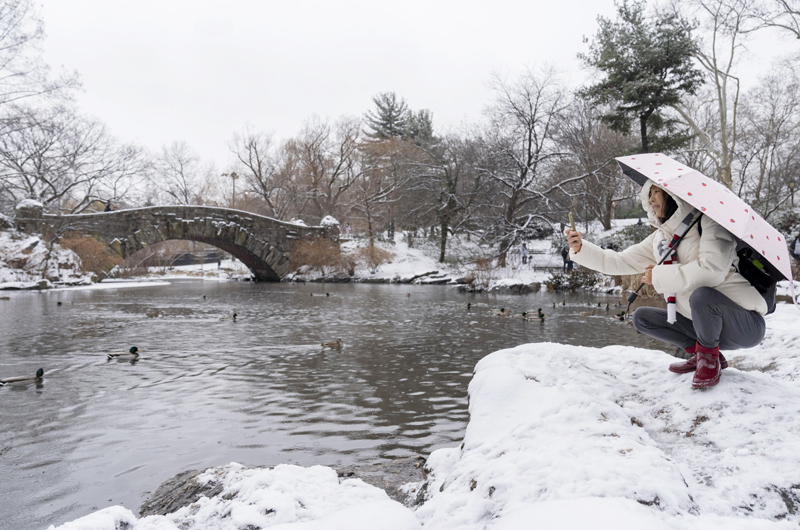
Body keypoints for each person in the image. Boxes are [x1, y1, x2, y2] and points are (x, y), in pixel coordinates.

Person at [565, 181, 767, 389]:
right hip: (704, 326)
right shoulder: (660, 239)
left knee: (702, 295)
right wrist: (581, 248)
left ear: (673, 196)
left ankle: (709, 362)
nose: (650, 199)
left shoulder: (707, 223)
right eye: (648, 195)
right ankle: (704, 354)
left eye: (656, 193)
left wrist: (658, 276)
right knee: (642, 317)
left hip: (744, 324)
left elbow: (711, 271)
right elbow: (618, 261)